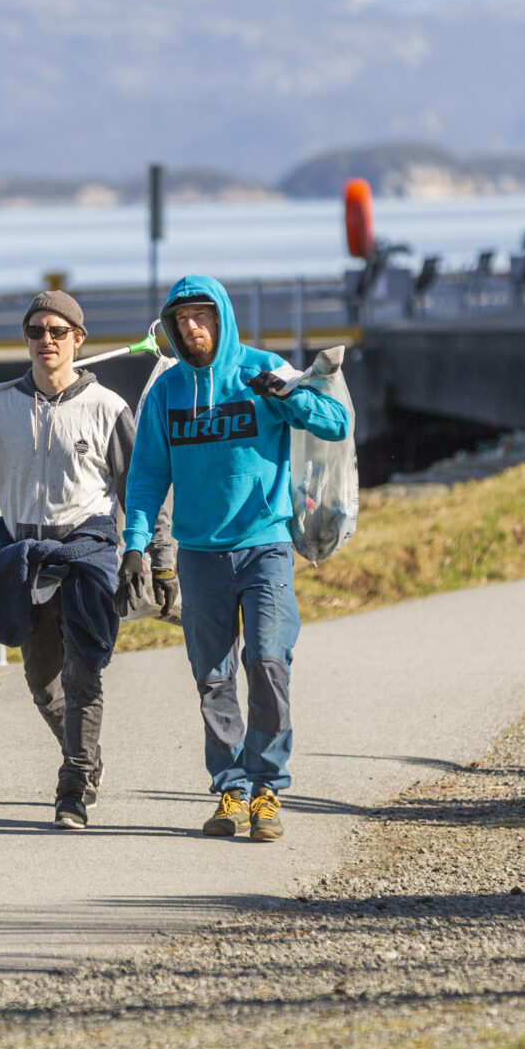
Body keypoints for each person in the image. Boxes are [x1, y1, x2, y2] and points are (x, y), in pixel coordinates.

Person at [120, 275, 349, 842]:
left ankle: (268, 788)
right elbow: (148, 474)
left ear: (222, 317)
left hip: (265, 544)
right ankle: (230, 789)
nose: (192, 327)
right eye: (182, 320)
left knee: (268, 663)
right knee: (213, 676)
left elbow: (336, 424)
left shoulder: (259, 367)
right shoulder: (168, 392)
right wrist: (134, 544)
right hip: (200, 554)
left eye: (203, 316)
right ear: (171, 328)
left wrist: (286, 394)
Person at [0, 289, 168, 829]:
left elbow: (142, 489)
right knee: (43, 683)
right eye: (36, 331)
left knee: (84, 677)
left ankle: (74, 787)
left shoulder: (108, 408)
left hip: (89, 553)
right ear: (27, 339)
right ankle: (86, 757)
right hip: (22, 558)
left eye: (58, 332)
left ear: (78, 340)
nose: (46, 341)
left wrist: (148, 555)